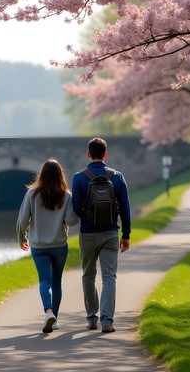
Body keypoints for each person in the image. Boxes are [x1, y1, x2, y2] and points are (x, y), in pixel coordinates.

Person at [71, 137, 131, 333]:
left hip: (87, 234)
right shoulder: (117, 176)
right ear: (106, 154)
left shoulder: (79, 177)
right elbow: (125, 208)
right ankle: (107, 321)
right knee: (109, 277)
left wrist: (89, 217)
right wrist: (126, 234)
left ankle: (91, 319)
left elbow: (77, 208)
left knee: (88, 276)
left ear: (88, 154)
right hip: (110, 233)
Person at [16, 158, 80, 334]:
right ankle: (55, 318)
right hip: (59, 244)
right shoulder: (66, 196)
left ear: (41, 174)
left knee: (44, 280)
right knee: (56, 281)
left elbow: (22, 220)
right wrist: (80, 210)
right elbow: (72, 222)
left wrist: (22, 238)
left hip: (38, 245)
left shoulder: (31, 194)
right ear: (60, 175)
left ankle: (48, 313)